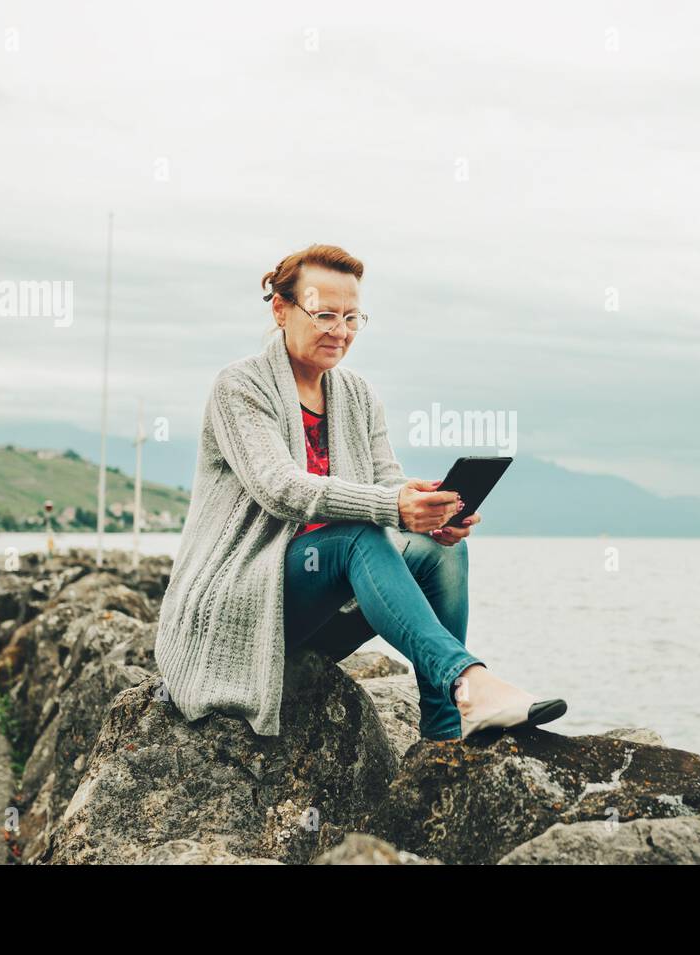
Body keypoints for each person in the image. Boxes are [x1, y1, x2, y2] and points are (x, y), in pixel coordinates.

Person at [154, 243, 565, 743]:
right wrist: (392, 506)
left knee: (440, 550)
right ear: (281, 310)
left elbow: (386, 480)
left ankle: (446, 726)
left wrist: (430, 510)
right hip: (241, 606)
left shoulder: (357, 394)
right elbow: (279, 488)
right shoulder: (239, 387)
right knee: (356, 536)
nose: (340, 330)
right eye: (324, 314)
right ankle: (469, 681)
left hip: (321, 610)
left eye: (351, 317)